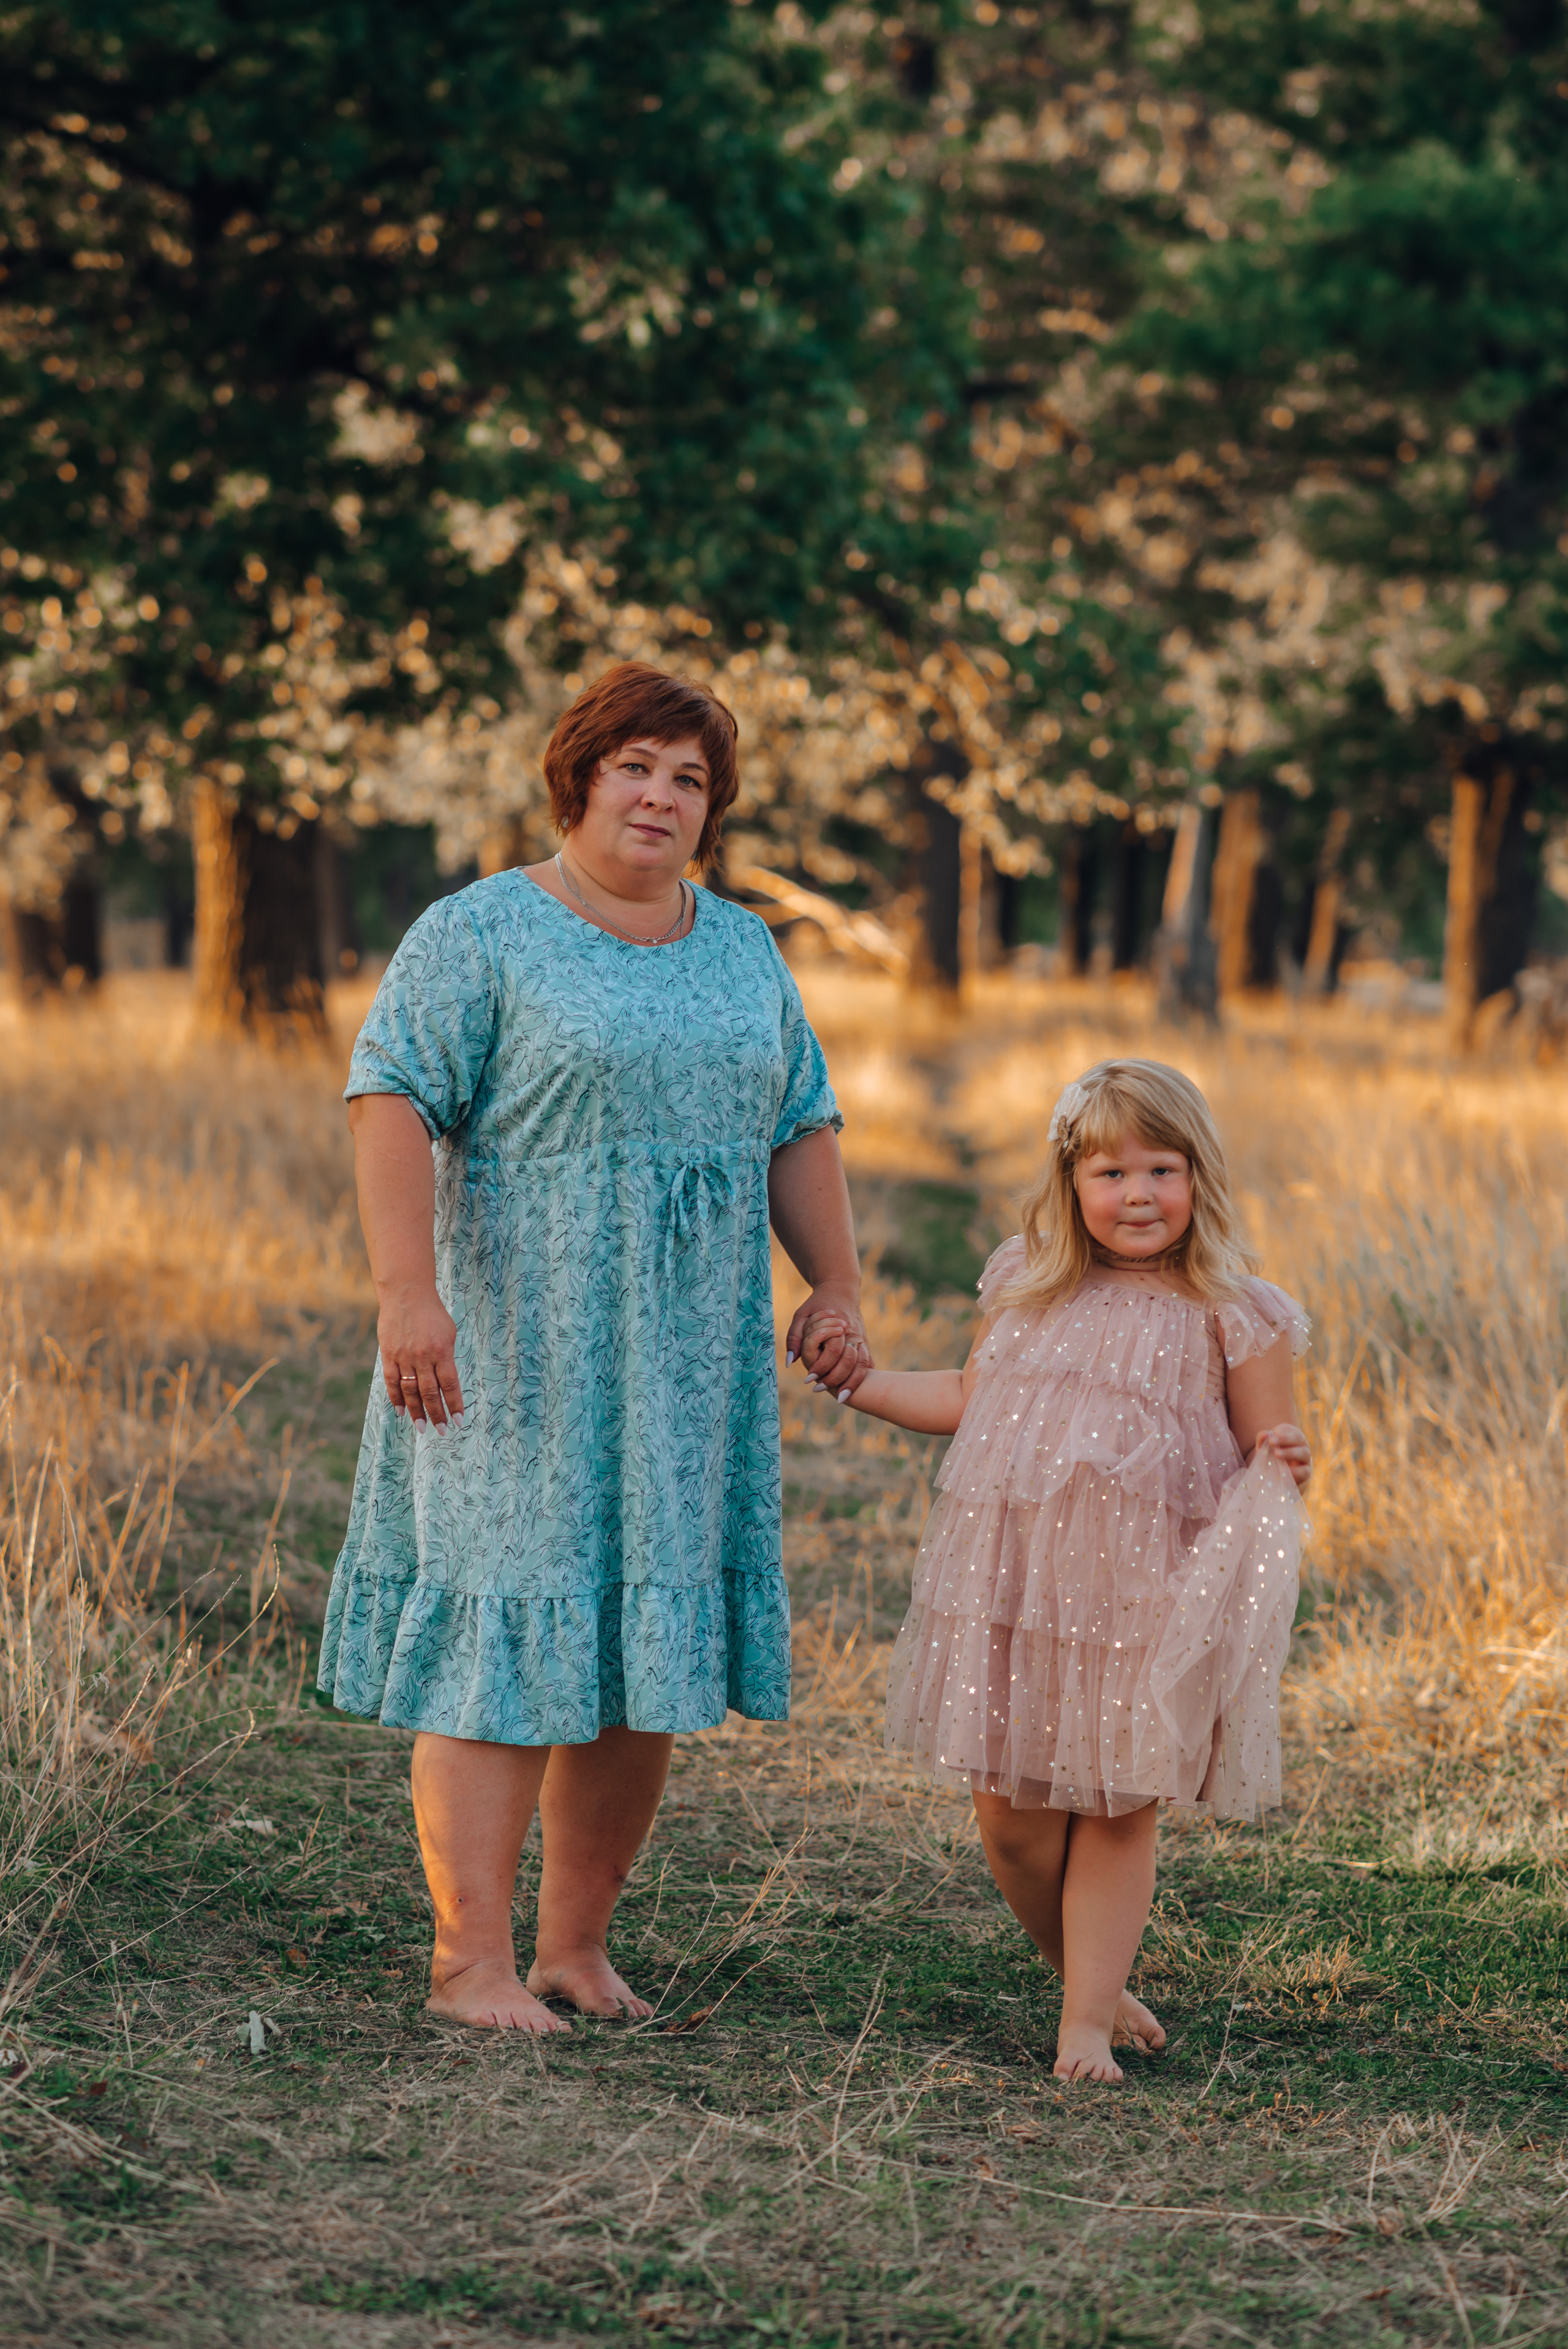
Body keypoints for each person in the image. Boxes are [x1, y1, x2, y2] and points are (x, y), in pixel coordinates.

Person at [318, 660, 870, 2033]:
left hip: (687, 1361)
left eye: (690, 778)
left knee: (641, 1656)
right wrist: (405, 1290)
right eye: (635, 764)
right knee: (504, 1643)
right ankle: (469, 1968)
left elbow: (798, 1121)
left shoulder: (742, 947)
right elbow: (386, 1095)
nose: (660, 795)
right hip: (515, 1347)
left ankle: (571, 1949)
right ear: (579, 776)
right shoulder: (483, 933)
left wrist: (838, 1283)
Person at [802, 1059, 1311, 2082]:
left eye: (1161, 1170)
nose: (1137, 1195)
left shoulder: (1237, 1310)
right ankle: (1095, 1973)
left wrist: (1289, 1461)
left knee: (1121, 1805)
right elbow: (964, 1393)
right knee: (1015, 1824)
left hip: (1150, 1594)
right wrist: (860, 1385)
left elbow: (1273, 1453)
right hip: (1022, 1593)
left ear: (1198, 1178)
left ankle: (1083, 2023)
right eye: (1111, 1172)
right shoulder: (1031, 1282)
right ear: (1072, 1182)